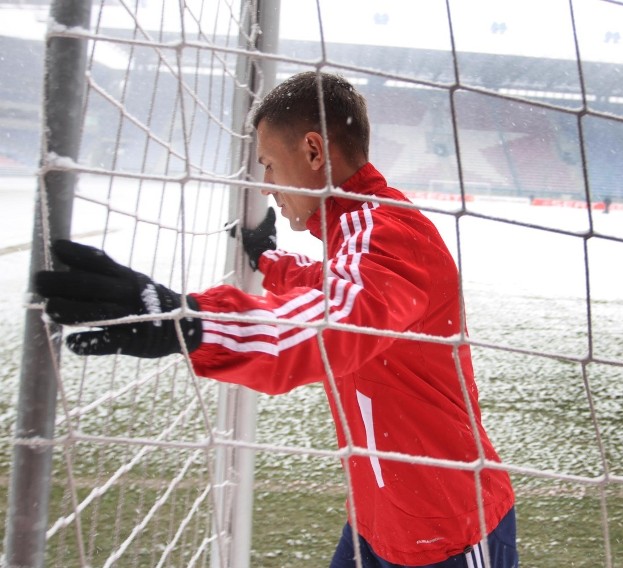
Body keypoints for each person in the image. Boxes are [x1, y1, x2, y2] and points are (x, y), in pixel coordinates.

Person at [35, 71, 517, 567]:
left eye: (268, 164)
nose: (265, 186)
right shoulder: (358, 228)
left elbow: (336, 323)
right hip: (377, 522)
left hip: (450, 529)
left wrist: (191, 322)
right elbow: (330, 285)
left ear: (313, 151)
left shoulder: (387, 231)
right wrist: (268, 261)